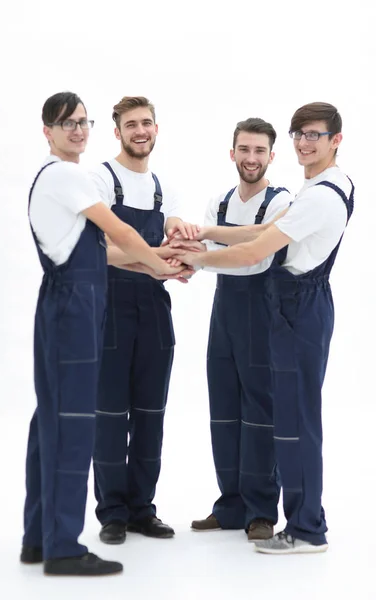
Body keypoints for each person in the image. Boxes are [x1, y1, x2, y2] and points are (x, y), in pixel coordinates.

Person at [175, 102, 354, 554]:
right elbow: (254, 236)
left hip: (296, 307)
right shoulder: (326, 185)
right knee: (289, 420)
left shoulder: (316, 196)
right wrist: (201, 234)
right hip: (294, 306)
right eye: (299, 133)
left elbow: (254, 253)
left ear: (335, 140)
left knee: (293, 423)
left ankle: (306, 528)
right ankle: (291, 519)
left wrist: (193, 259)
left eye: (314, 134)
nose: (303, 142)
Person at [21, 91, 183, 576]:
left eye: (81, 121)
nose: (77, 130)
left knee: (48, 423)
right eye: (65, 123)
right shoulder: (70, 175)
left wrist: (154, 268)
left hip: (68, 301)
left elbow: (110, 249)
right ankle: (65, 548)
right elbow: (124, 235)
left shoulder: (53, 177)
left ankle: (39, 538)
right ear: (46, 131)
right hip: (75, 305)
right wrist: (164, 268)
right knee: (73, 425)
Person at [171, 118, 291, 540]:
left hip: (262, 312)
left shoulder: (282, 202)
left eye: (260, 151)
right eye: (245, 149)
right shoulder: (218, 201)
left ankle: (261, 510)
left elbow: (255, 258)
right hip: (223, 312)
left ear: (272, 156)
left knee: (260, 412)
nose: (252, 158)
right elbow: (202, 249)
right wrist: (183, 246)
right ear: (232, 153)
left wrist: (204, 253)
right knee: (223, 408)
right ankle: (231, 506)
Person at [89, 96, 196, 545]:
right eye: (130, 124)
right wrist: (157, 261)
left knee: (151, 415)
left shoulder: (161, 187)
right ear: (117, 132)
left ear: (156, 129)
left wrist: (184, 246)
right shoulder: (100, 179)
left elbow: (175, 229)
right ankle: (112, 511)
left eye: (146, 123)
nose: (140, 131)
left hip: (154, 310)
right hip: (110, 309)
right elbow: (97, 250)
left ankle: (142, 509)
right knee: (111, 415)